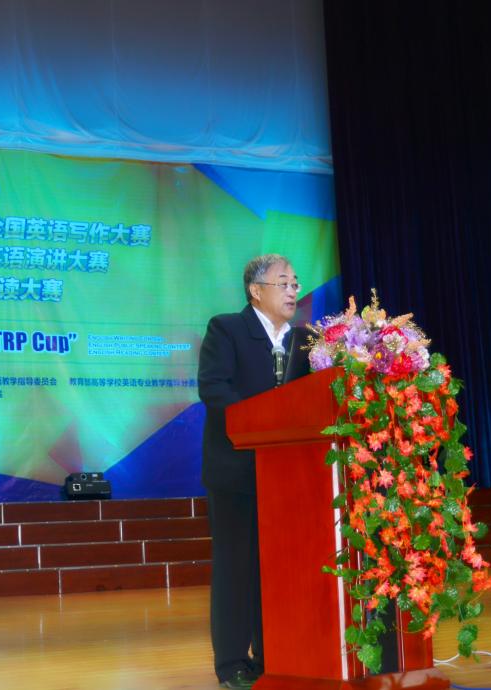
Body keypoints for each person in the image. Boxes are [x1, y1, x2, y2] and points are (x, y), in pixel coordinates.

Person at [197, 254, 301, 689]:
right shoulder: (227, 329)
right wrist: (261, 421)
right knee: (236, 569)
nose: (293, 290)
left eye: (295, 283)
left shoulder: (306, 340)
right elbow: (213, 388)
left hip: (289, 476)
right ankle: (233, 664)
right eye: (283, 282)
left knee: (279, 570)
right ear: (256, 291)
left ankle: (275, 656)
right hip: (237, 472)